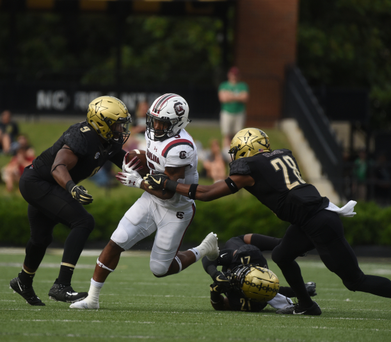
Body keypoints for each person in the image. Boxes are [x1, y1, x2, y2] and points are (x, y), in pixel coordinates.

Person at [145, 127, 391, 315]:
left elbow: (207, 194)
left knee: (354, 281)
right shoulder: (280, 156)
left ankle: (308, 303)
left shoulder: (249, 169)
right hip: (312, 218)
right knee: (282, 255)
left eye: (236, 151)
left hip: (318, 221)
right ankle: (307, 305)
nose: (234, 158)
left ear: (246, 148)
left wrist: (169, 184)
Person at [70, 93, 220, 310]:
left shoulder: (181, 148)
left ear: (177, 123)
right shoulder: (154, 133)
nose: (156, 126)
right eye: (154, 120)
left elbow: (168, 191)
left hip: (175, 208)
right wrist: (133, 159)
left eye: (162, 122)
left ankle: (203, 249)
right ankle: (92, 299)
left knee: (160, 269)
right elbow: (151, 159)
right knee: (116, 240)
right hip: (151, 199)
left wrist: (138, 182)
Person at [9, 95, 132, 306]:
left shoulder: (108, 142)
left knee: (41, 238)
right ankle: (61, 286)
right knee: (83, 222)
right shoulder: (82, 136)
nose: (121, 130)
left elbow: (128, 161)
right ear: (101, 123)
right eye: (117, 124)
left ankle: (23, 281)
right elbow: (58, 167)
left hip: (50, 186)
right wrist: (71, 188)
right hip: (38, 183)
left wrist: (157, 172)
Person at [203, 234, 317, 312]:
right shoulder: (250, 256)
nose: (236, 277)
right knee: (281, 245)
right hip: (243, 244)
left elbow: (221, 305)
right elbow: (210, 258)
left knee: (261, 288)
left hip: (243, 253)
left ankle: (286, 245)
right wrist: (299, 291)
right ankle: (287, 244)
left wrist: (215, 293)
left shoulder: (252, 303)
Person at [218, 67, 249, 161]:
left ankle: (236, 155)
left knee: (237, 135)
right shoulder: (224, 85)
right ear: (229, 75)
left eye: (235, 75)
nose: (234, 76)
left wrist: (230, 96)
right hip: (227, 112)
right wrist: (237, 96)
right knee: (226, 134)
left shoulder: (243, 85)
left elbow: (245, 98)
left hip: (239, 113)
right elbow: (223, 98)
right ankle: (226, 155)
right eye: (232, 74)